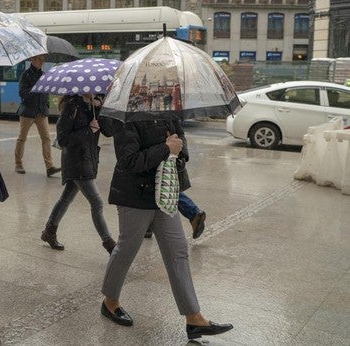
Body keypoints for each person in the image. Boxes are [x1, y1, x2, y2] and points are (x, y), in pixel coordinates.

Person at [100, 118, 233, 340]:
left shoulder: (168, 111)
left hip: (166, 192)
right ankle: (110, 302)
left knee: (178, 251)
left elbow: (182, 143)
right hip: (135, 196)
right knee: (127, 250)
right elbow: (129, 161)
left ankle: (194, 318)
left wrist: (178, 152)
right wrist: (165, 148)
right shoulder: (126, 117)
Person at [41, 94, 116, 253]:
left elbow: (109, 131)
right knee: (97, 202)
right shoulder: (71, 106)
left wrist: (99, 108)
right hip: (76, 161)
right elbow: (62, 139)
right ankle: (109, 243)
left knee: (66, 197)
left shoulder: (94, 105)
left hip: (89, 158)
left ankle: (49, 231)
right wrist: (88, 129)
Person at [15, 54, 61, 176]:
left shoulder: (44, 75)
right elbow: (22, 93)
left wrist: (46, 105)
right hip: (28, 112)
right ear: (33, 60)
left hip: (41, 112)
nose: (42, 62)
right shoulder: (25, 75)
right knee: (22, 138)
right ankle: (18, 164)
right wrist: (37, 88)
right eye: (40, 59)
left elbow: (46, 93)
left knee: (46, 138)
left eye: (43, 60)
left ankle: (49, 167)